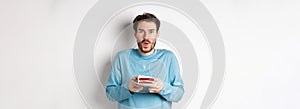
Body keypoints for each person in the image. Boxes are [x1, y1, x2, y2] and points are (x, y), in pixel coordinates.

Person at [106, 13, 184, 109]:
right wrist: (128, 88)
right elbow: (110, 94)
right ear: (135, 34)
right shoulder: (122, 58)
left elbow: (179, 95)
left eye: (151, 32)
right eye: (141, 31)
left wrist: (163, 88)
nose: (146, 37)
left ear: (157, 34)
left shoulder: (169, 57)